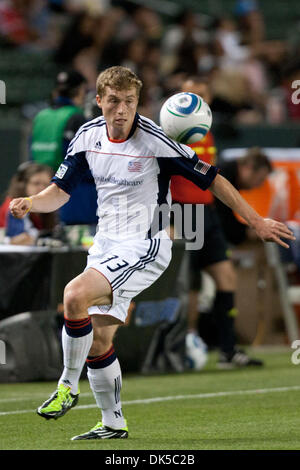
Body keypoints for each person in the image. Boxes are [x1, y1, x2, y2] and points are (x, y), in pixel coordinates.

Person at [9, 66, 295, 440]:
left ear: (138, 103)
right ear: (99, 102)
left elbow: (215, 179)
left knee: (73, 296)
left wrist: (256, 221)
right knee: (98, 340)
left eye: (129, 102)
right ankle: (113, 423)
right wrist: (30, 202)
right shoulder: (86, 136)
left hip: (144, 246)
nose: (121, 110)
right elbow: (59, 191)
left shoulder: (155, 141)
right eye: (113, 101)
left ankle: (67, 386)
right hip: (105, 245)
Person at [171, 77, 271, 368]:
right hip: (183, 211)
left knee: (226, 278)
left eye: (202, 94)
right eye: (190, 94)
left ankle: (228, 351)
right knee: (190, 285)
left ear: (210, 98)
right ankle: (186, 344)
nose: (196, 99)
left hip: (207, 212)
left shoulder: (205, 130)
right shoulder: (173, 128)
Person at [31, 68, 98, 225]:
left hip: (46, 197)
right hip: (79, 200)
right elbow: (86, 164)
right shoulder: (77, 118)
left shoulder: (40, 117)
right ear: (80, 91)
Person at [2, 162, 56, 245]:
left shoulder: (47, 206)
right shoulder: (14, 205)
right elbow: (16, 241)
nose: (42, 188)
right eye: (36, 183)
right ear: (23, 185)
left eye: (46, 185)